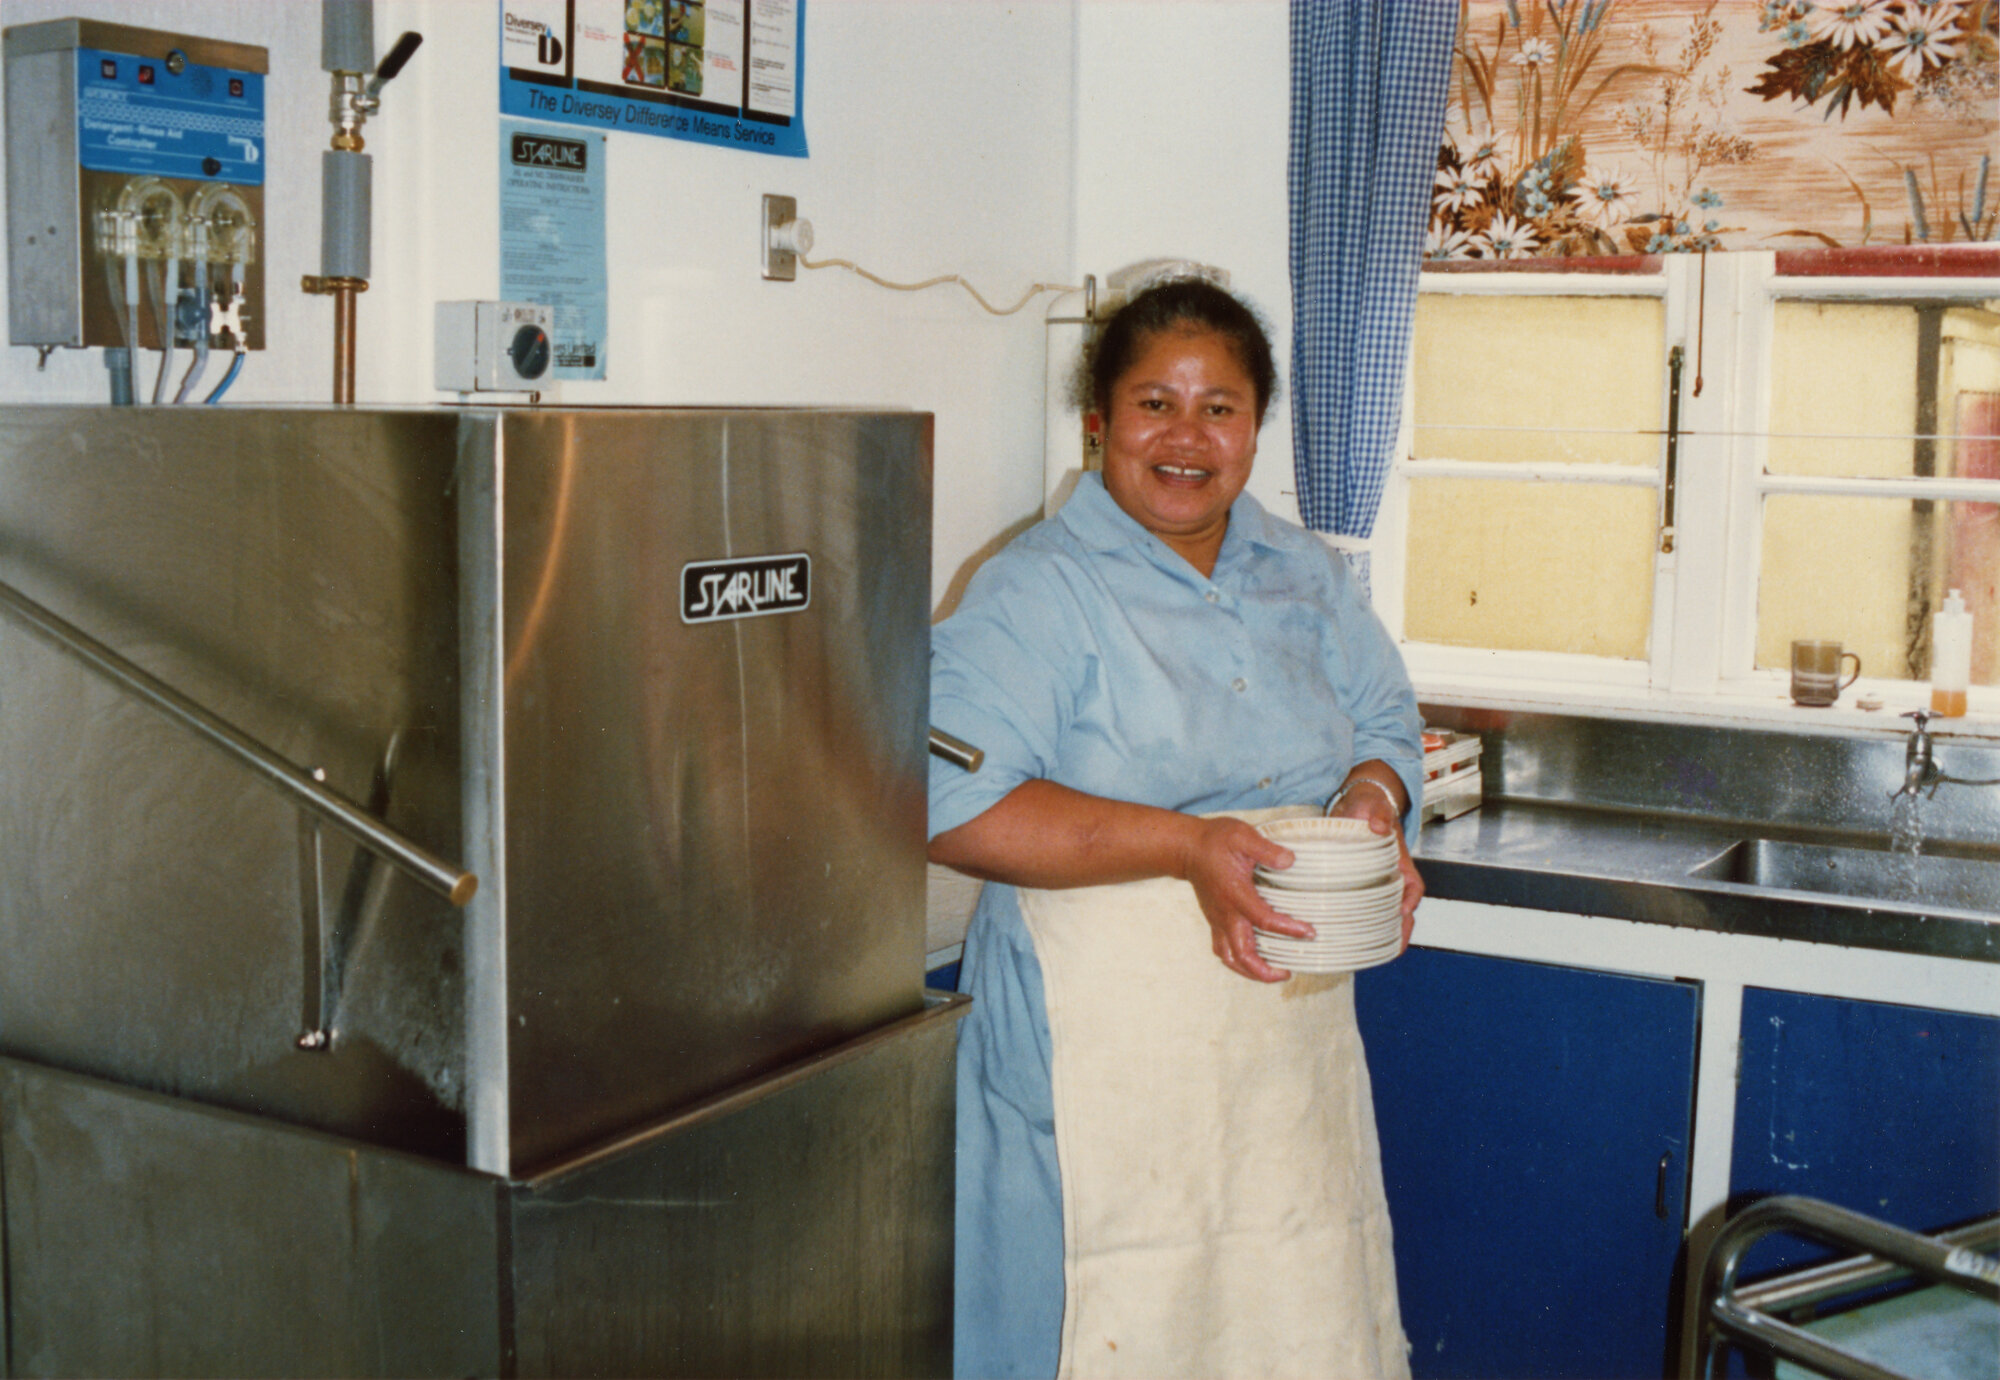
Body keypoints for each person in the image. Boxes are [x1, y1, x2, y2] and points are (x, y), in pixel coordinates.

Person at [928, 277, 1425, 1379]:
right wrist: (1185, 848)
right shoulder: (1037, 592)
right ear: (1099, 422)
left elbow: (1386, 721)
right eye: (1153, 404)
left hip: (1277, 1043)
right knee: (1106, 1319)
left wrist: (1371, 808)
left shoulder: (1302, 572)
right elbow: (947, 805)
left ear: (1255, 427)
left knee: (1281, 1310)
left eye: (1220, 408)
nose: (1186, 437)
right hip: (1097, 1038)